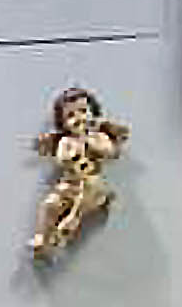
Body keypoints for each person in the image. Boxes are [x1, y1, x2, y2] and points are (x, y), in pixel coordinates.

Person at [30, 87, 128, 261]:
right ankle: (42, 236)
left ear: (93, 114)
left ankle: (72, 219)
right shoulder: (67, 141)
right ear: (63, 123)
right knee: (50, 204)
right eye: (70, 115)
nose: (78, 118)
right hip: (69, 184)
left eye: (83, 111)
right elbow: (61, 158)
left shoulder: (98, 137)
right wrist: (69, 156)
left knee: (89, 192)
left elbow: (109, 152)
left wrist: (90, 142)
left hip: (92, 182)